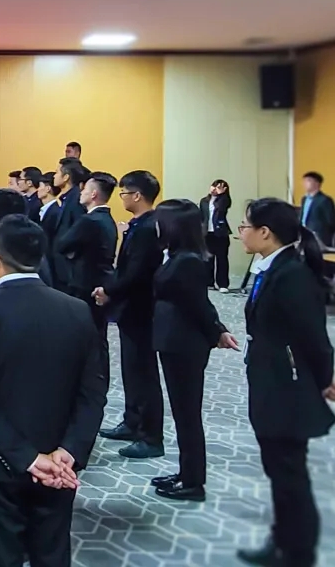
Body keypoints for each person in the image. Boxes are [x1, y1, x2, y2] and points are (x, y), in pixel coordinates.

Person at [0, 215, 105, 567]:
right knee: (52, 552)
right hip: (59, 462)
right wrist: (70, 450)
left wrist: (26, 457)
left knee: (0, 556)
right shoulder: (77, 311)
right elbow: (94, 392)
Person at [236, 198, 335, 567]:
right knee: (279, 471)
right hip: (270, 382)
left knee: (290, 474)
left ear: (265, 232)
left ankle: (298, 553)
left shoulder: (292, 275)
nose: (240, 233)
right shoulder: (271, 267)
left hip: (288, 389)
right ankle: (282, 540)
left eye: (245, 226)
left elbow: (315, 338)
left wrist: (325, 379)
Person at [146, 199, 238, 502]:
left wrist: (217, 331)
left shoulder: (187, 261)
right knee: (182, 412)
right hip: (174, 341)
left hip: (184, 345)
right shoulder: (176, 255)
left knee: (187, 414)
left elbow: (199, 305)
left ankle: (193, 482)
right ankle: (185, 472)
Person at [94, 170, 166, 460]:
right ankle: (132, 421)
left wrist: (109, 290)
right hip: (130, 309)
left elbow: (136, 271)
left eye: (124, 193)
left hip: (140, 308)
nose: (121, 197)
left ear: (137, 195)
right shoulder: (139, 225)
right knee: (131, 370)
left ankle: (150, 436)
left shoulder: (148, 228)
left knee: (143, 373)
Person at [54, 171, 118, 386]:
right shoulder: (107, 219)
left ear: (93, 194)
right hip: (100, 282)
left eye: (85, 190)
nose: (81, 193)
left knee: (86, 336)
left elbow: (63, 245)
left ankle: (89, 382)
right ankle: (99, 380)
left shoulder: (89, 221)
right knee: (99, 336)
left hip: (84, 284)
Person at [49, 157, 88, 286]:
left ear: (66, 177)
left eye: (57, 172)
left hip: (69, 268)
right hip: (61, 265)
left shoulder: (76, 199)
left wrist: (69, 255)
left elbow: (79, 230)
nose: (54, 176)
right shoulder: (66, 198)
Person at [199, 179, 232, 291]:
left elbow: (222, 209)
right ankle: (209, 282)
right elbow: (202, 217)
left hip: (220, 233)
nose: (214, 189)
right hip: (207, 233)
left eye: (218, 187)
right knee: (208, 259)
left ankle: (223, 284)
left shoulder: (224, 201)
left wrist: (221, 195)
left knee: (222, 259)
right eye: (213, 186)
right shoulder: (204, 201)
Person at [299, 171, 335, 247]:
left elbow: (330, 220)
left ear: (317, 183)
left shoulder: (325, 200)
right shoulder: (304, 199)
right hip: (304, 235)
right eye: (304, 181)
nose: (304, 183)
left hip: (319, 237)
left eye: (308, 180)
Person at [36, 171, 61, 246]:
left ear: (48, 189)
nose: (37, 190)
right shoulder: (47, 209)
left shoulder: (54, 212)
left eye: (40, 186)